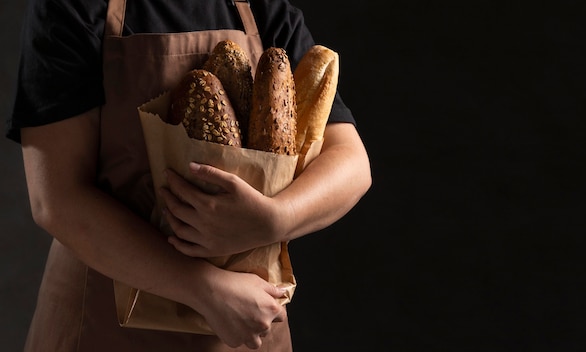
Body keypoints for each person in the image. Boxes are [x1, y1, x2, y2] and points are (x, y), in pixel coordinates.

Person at [6, 0, 372, 351]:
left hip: (249, 327)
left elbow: (352, 163)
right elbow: (57, 199)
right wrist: (205, 289)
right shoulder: (73, 7)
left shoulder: (262, 10)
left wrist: (274, 219)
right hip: (104, 326)